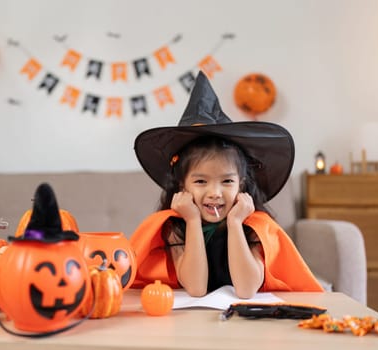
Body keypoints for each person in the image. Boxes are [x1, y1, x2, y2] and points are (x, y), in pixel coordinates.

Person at [130, 71, 323, 298]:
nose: (214, 193)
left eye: (227, 181)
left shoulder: (254, 225)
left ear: (241, 185)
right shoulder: (176, 227)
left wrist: (235, 223)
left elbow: (246, 289)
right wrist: (192, 221)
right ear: (182, 185)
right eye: (201, 181)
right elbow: (196, 287)